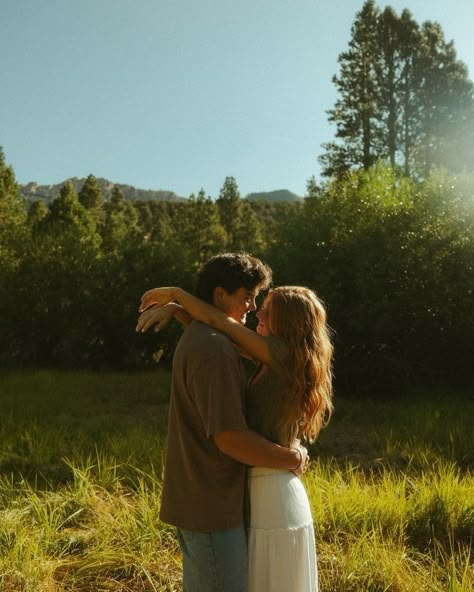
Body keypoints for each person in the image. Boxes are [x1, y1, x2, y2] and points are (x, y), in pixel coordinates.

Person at [138, 272, 334, 591]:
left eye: (267, 310)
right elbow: (216, 338)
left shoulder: (281, 354)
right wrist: (178, 311)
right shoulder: (278, 355)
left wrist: (176, 294)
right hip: (269, 486)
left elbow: (221, 324)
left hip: (272, 490)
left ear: (286, 322)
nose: (256, 312)